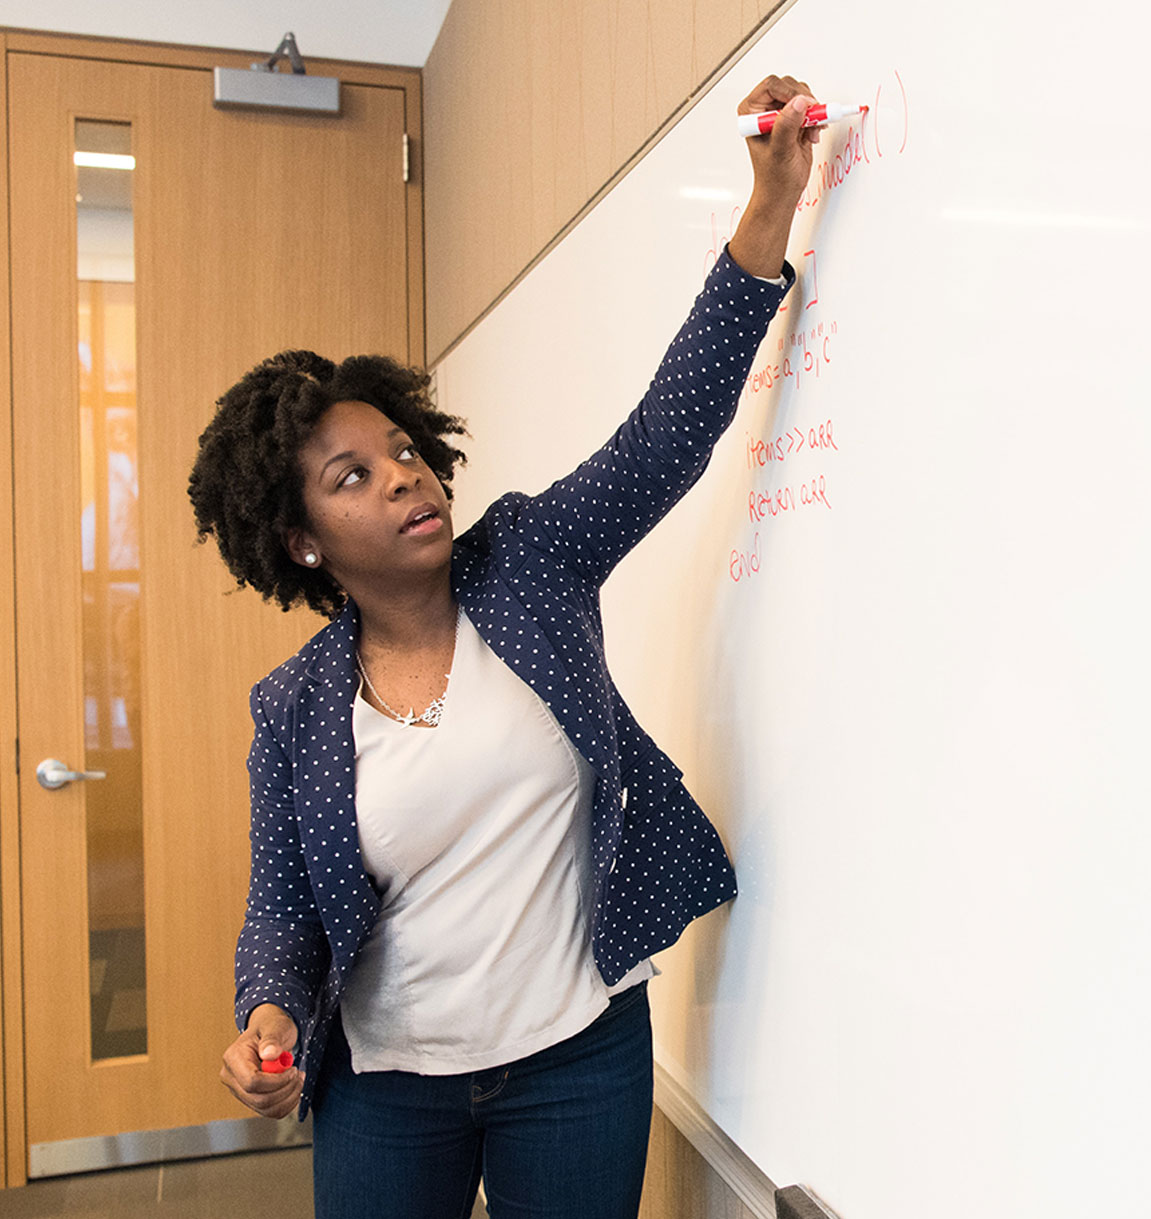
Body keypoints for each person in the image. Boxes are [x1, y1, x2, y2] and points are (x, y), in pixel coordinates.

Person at [189, 75, 821, 1219]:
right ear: (302, 542)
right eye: (353, 478)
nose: (402, 479)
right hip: (387, 1087)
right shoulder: (291, 708)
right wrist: (269, 1015)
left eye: (401, 451)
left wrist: (767, 208)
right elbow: (281, 911)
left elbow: (666, 432)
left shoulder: (529, 559)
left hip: (578, 1056)